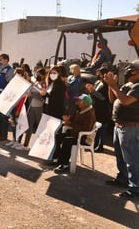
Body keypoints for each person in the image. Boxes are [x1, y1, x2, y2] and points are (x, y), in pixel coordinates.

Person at [104, 60, 139, 199]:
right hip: (119, 126)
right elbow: (113, 100)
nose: (128, 69)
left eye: (131, 68)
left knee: (132, 158)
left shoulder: (137, 87)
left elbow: (126, 101)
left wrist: (114, 86)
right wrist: (110, 86)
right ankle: (123, 178)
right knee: (120, 156)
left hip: (130, 127)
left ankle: (135, 187)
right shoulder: (127, 84)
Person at [53, 94, 96, 173]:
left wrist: (70, 123)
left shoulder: (89, 114)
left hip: (83, 138)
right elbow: (71, 120)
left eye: (80, 101)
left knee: (67, 141)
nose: (77, 102)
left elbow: (86, 129)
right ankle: (57, 159)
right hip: (75, 134)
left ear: (86, 103)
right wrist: (68, 120)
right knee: (58, 136)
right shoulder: (78, 110)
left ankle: (64, 164)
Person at [85, 67, 111, 152]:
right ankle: (94, 144)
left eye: (100, 73)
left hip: (103, 109)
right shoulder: (97, 82)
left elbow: (103, 97)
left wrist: (93, 91)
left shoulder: (107, 85)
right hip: (96, 108)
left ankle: (100, 145)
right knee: (96, 128)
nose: (98, 75)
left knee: (102, 128)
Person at [22, 68, 47, 148]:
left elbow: (43, 96)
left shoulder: (44, 84)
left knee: (40, 126)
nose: (37, 75)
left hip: (39, 107)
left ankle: (40, 146)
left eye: (39, 74)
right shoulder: (35, 82)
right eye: (37, 74)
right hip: (31, 106)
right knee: (29, 126)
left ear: (43, 75)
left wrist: (32, 95)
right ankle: (25, 144)